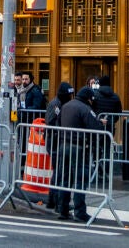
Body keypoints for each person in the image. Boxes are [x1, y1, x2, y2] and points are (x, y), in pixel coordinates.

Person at [55, 87, 106, 221]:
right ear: (89, 99)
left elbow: (58, 123)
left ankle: (63, 210)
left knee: (65, 179)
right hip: (79, 147)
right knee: (80, 179)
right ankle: (80, 212)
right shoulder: (85, 109)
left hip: (64, 145)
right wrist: (101, 123)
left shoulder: (66, 106)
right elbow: (95, 127)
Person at [45, 82, 75, 211]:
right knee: (59, 172)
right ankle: (56, 201)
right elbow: (51, 122)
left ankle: (52, 200)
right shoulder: (55, 104)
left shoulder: (61, 104)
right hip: (55, 141)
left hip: (57, 140)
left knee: (58, 171)